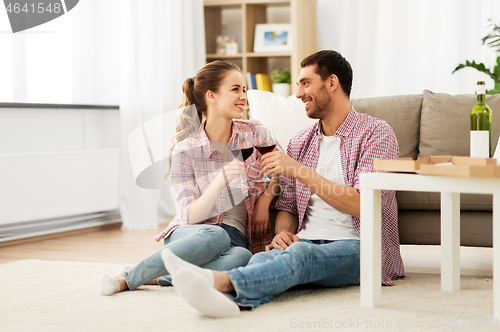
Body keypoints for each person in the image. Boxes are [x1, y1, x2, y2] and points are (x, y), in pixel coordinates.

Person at [158, 50, 405, 318]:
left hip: (358, 246)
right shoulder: (300, 142)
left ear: (332, 83)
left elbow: (365, 205)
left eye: (305, 83)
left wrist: (298, 170)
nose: (298, 93)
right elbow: (287, 205)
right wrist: (282, 233)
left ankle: (218, 283)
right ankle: (230, 301)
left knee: (301, 257)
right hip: (305, 239)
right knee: (263, 258)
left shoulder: (376, 133)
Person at [100, 60, 278, 296]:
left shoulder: (254, 132)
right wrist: (219, 181)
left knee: (243, 257)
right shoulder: (186, 149)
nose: (243, 96)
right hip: (193, 237)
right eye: (235, 89)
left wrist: (264, 202)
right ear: (211, 96)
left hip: (236, 240)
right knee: (216, 234)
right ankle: (128, 277)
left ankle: (158, 276)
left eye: (244, 89)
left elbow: (282, 170)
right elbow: (192, 216)